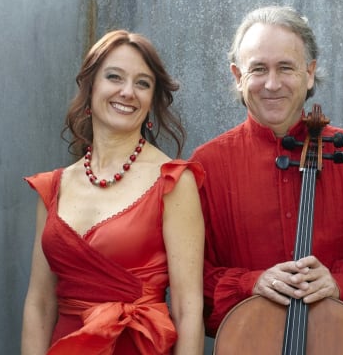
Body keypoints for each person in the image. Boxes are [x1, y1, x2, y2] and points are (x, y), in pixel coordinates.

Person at [189, 5, 343, 336]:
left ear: (309, 73)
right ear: (238, 77)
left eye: (285, 68)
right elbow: (188, 284)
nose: (271, 84)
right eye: (258, 69)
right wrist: (250, 283)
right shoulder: (206, 165)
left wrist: (340, 284)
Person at [21, 30, 205, 354]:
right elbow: (39, 303)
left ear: (151, 100)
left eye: (142, 83)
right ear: (91, 86)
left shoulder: (173, 182)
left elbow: (188, 309)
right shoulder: (53, 187)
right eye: (114, 77)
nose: (127, 92)